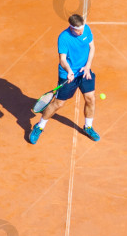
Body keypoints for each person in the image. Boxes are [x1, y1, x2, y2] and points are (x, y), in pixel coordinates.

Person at [29, 14, 100, 143]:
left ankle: (88, 126)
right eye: (77, 30)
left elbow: (92, 48)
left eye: (82, 28)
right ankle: (39, 126)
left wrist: (88, 66)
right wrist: (69, 71)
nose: (81, 31)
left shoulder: (86, 29)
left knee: (90, 97)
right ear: (71, 27)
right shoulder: (64, 38)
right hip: (68, 74)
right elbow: (62, 59)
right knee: (58, 104)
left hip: (84, 71)